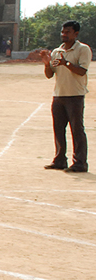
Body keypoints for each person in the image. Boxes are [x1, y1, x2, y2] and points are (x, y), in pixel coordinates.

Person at [39, 20, 91, 172]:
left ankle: (80, 163)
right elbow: (50, 75)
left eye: (67, 32)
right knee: (58, 129)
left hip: (75, 95)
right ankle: (60, 160)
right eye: (63, 31)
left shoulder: (83, 49)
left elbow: (82, 71)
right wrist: (47, 64)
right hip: (59, 95)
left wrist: (66, 63)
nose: (64, 34)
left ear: (76, 33)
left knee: (77, 130)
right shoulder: (57, 51)